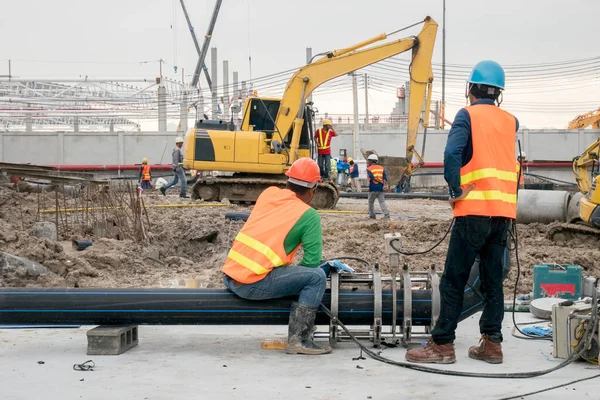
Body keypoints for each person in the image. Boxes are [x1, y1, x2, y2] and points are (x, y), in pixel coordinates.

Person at [406, 60, 518, 365]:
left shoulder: (466, 115)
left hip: (473, 213)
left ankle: (442, 345)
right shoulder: (511, 121)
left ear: (470, 89)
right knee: (493, 282)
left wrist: (456, 191)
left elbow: (451, 154)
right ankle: (492, 344)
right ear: (498, 94)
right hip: (503, 215)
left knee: (453, 280)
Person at [222, 158, 331, 355]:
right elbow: (312, 263)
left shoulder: (268, 193)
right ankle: (300, 339)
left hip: (231, 275)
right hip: (251, 283)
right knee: (317, 277)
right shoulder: (309, 215)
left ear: (288, 179)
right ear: (313, 189)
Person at [366, 154, 390, 220]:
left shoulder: (369, 168)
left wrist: (380, 181)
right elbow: (385, 178)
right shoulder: (381, 168)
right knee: (382, 202)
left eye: (368, 160)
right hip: (380, 188)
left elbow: (372, 177)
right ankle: (386, 214)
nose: (367, 161)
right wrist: (385, 185)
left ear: (371, 161)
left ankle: (372, 216)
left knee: (371, 203)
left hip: (373, 188)